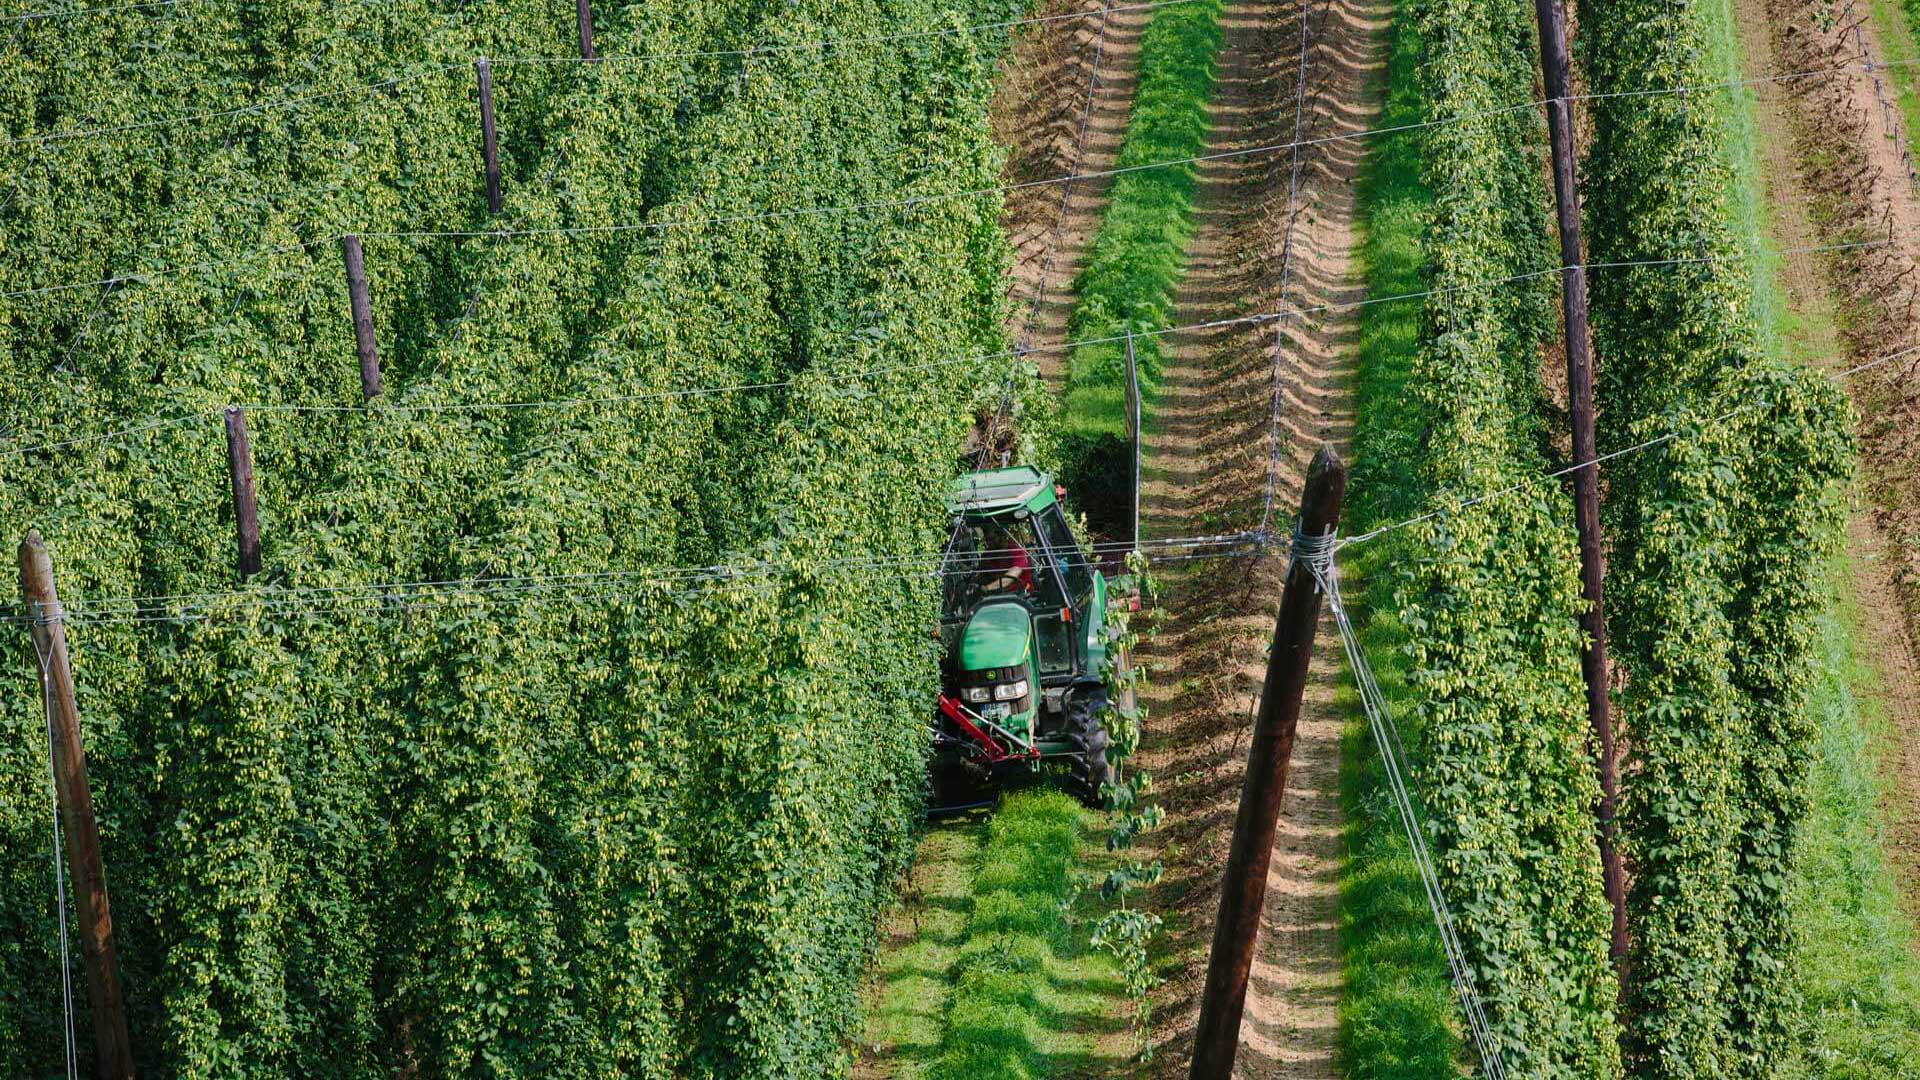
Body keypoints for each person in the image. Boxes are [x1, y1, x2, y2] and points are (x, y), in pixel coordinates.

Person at [978, 524, 1033, 593]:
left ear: (1002, 536)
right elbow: (981, 577)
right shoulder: (986, 555)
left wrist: (987, 588)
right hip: (997, 595)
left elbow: (1010, 577)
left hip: (1020, 595)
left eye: (992, 539)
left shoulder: (1017, 552)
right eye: (986, 539)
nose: (988, 543)